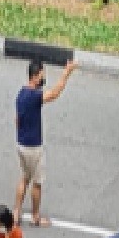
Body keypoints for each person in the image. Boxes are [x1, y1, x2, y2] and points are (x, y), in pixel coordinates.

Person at [15, 59, 78, 228]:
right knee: (37, 183)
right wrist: (67, 73)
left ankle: (16, 212)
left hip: (21, 144)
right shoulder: (35, 96)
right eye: (42, 76)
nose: (43, 79)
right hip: (34, 147)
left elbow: (17, 120)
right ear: (35, 76)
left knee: (24, 178)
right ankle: (35, 216)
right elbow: (55, 94)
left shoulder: (20, 94)